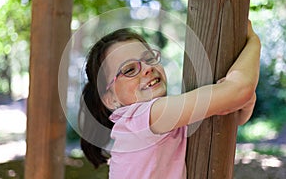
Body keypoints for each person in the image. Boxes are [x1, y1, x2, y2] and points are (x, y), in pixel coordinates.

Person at [79, 21, 261, 178]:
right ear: (111, 100)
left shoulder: (162, 119)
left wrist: (239, 99)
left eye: (149, 58)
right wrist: (254, 41)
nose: (147, 69)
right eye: (129, 70)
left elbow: (230, 118)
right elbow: (239, 89)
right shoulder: (139, 118)